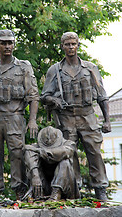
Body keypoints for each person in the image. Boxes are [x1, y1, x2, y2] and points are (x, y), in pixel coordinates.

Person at [41, 32, 111, 201]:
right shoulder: (55, 70)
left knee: (94, 154)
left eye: (73, 44)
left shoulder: (90, 68)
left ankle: (101, 191)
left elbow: (102, 95)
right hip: (66, 118)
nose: (71, 47)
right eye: (67, 44)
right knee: (68, 156)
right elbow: (44, 96)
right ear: (62, 46)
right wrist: (54, 100)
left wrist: (107, 120)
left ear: (78, 45)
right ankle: (74, 190)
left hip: (88, 116)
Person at [0, 29, 39, 205]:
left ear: (14, 44)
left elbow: (33, 95)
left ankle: (19, 194)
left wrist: (32, 120)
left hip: (14, 117)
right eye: (3, 42)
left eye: (10, 42)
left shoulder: (24, 67)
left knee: (17, 155)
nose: (7, 46)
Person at [24, 126, 80, 201]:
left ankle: (56, 193)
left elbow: (65, 151)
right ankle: (39, 194)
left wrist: (43, 151)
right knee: (32, 159)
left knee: (65, 162)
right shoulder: (35, 147)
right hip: (44, 186)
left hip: (66, 189)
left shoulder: (69, 144)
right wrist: (35, 175)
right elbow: (27, 150)